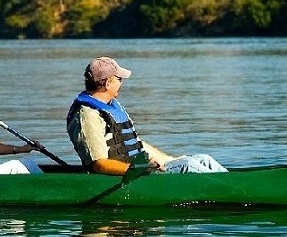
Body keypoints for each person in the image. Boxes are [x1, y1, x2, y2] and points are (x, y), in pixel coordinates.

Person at [66, 56, 227, 176]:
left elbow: (137, 145)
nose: (121, 83)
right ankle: (235, 191)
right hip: (126, 176)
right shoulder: (88, 115)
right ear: (108, 83)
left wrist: (170, 160)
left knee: (204, 159)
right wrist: (139, 169)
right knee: (188, 165)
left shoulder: (111, 106)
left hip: (139, 168)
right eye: (119, 79)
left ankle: (238, 183)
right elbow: (99, 164)